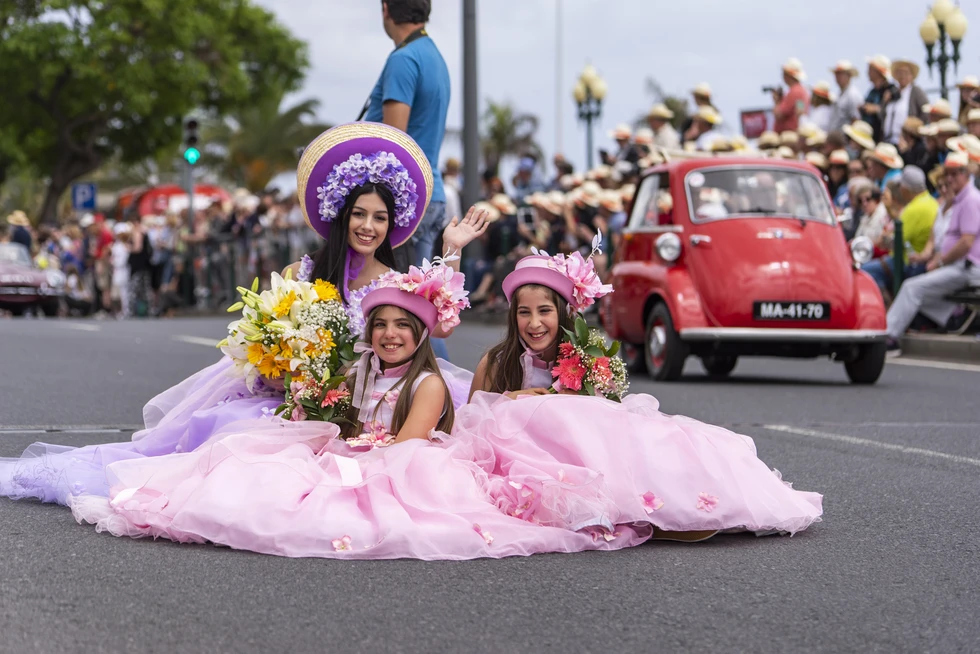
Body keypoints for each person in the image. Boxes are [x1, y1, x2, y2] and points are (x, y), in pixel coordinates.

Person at [0, 123, 484, 507]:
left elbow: (438, 321)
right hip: (305, 400)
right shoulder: (305, 271)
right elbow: (272, 337)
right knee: (235, 443)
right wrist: (289, 369)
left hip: (369, 404)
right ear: (342, 214)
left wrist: (452, 251)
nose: (369, 226)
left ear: (391, 223)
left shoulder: (395, 284)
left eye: (380, 217)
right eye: (360, 214)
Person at [65, 260, 639, 560]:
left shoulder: (429, 388)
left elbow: (406, 450)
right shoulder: (362, 372)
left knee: (328, 498)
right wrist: (316, 412)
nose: (391, 336)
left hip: (397, 466)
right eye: (381, 326)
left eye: (403, 327)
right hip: (358, 452)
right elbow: (341, 415)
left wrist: (344, 452)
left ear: (421, 334)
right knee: (253, 458)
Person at [463, 250, 822, 542]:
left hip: (581, 455)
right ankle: (627, 515)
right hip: (528, 463)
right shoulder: (499, 362)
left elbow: (604, 423)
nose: (534, 323)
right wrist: (516, 399)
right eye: (524, 313)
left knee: (658, 437)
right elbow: (471, 423)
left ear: (564, 313)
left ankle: (671, 507)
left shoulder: (584, 354)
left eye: (544, 311)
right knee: (535, 409)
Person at [365, 0, 450, 270]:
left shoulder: (404, 59)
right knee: (417, 302)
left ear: (386, 9)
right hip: (430, 194)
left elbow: (394, 144)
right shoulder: (433, 56)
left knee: (394, 304)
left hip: (405, 201)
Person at [885, 152, 980, 353]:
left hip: (967, 267)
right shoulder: (960, 200)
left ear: (965, 173)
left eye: (955, 174)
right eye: (948, 174)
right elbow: (943, 239)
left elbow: (966, 242)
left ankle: (889, 336)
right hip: (959, 265)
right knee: (917, 288)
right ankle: (952, 315)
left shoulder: (971, 199)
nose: (950, 178)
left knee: (912, 287)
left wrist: (941, 261)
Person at [882, 59, 928, 145]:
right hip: (888, 140)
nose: (902, 76)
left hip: (906, 142)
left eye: (906, 73)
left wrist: (914, 131)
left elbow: (926, 112)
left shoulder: (916, 92)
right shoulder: (893, 92)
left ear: (911, 76)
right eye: (899, 72)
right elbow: (883, 114)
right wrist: (885, 102)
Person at [772, 58, 810, 133]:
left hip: (788, 134)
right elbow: (800, 111)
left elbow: (779, 114)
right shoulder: (801, 91)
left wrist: (777, 102)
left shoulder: (794, 92)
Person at [829, 60, 863, 133]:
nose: (837, 77)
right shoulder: (840, 94)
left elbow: (856, 120)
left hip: (844, 139)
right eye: (836, 74)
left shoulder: (853, 95)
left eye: (840, 74)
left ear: (849, 75)